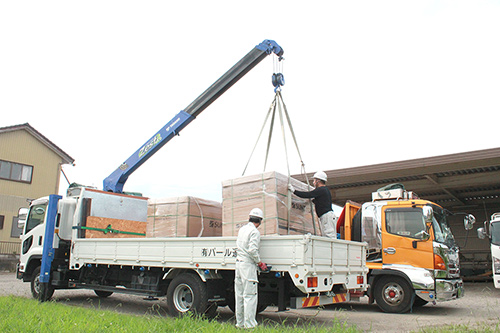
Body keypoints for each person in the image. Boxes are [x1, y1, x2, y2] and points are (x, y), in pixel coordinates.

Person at [234, 208, 268, 329]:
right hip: (247, 266)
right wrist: (260, 263)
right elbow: (252, 250)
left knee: (239, 295)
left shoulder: (242, 229)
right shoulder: (254, 232)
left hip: (238, 264)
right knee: (250, 295)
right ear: (259, 221)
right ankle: (249, 325)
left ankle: (240, 323)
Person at [288, 171, 338, 239]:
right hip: (325, 217)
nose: (313, 182)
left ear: (318, 180)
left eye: (314, 180)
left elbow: (308, 195)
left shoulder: (321, 190)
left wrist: (294, 191)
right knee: (326, 237)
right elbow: (319, 201)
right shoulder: (324, 191)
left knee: (329, 237)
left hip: (327, 217)